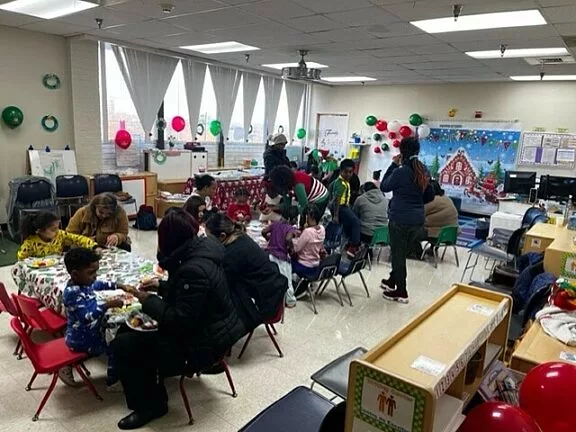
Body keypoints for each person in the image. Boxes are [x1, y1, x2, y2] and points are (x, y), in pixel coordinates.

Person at [112, 209, 245, 430]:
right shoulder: (201, 250)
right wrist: (161, 286)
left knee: (125, 345)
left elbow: (179, 320)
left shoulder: (194, 268)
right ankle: (139, 382)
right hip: (211, 329)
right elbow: (189, 296)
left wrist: (147, 300)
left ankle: (152, 406)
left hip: (204, 344)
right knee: (127, 330)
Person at [205, 213, 287, 332]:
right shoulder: (240, 237)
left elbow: (221, 280)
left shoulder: (233, 253)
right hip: (272, 289)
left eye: (209, 238)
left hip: (264, 301)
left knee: (214, 303)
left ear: (222, 236)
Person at [380, 137, 434, 304]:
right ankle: (392, 281)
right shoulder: (424, 170)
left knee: (398, 255)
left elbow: (384, 186)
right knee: (401, 253)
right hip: (418, 221)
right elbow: (429, 196)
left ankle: (401, 291)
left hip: (400, 219)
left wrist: (393, 165)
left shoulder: (401, 171)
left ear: (401, 151)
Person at [62, 248, 123, 389]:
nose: (95, 276)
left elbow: (98, 284)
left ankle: (69, 364)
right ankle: (113, 383)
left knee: (112, 333)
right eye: (91, 273)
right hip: (81, 338)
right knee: (115, 347)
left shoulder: (83, 283)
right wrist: (107, 305)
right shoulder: (73, 293)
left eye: (96, 272)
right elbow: (86, 318)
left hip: (88, 332)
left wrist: (118, 285)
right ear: (75, 274)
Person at [18, 211, 97, 260]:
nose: (57, 231)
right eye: (53, 230)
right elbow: (21, 259)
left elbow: (77, 238)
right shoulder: (30, 243)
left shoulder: (60, 234)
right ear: (40, 231)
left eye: (57, 228)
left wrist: (94, 246)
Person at [67, 192, 131, 251]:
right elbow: (69, 236)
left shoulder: (120, 212)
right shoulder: (81, 213)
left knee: (125, 245)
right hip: (86, 248)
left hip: (109, 246)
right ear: (95, 206)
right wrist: (87, 241)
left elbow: (123, 232)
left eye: (109, 214)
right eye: (101, 212)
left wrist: (117, 236)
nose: (104, 215)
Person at [262, 207, 299, 307]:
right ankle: (290, 301)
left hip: (270, 255)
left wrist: (268, 238)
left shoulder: (275, 224)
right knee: (287, 280)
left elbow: (264, 231)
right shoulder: (289, 228)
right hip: (281, 258)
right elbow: (288, 239)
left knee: (271, 278)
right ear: (292, 219)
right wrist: (291, 248)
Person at [330, 159, 361, 257]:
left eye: (350, 172)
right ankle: (354, 246)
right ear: (341, 171)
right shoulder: (340, 183)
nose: (348, 174)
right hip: (340, 207)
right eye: (345, 172)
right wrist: (336, 215)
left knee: (349, 224)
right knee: (356, 222)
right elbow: (337, 199)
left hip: (344, 206)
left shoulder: (345, 182)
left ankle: (349, 243)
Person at [292, 204, 326, 292]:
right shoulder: (322, 229)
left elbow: (296, 249)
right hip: (316, 265)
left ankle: (292, 287)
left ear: (308, 217)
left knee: (286, 261)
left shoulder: (308, 232)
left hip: (304, 266)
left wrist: (292, 239)